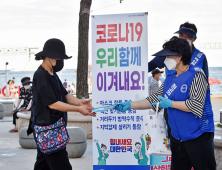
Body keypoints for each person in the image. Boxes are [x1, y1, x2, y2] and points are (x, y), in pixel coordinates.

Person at [115, 37, 216, 170]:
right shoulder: (169, 79)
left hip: (198, 137)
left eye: (168, 56)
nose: (165, 60)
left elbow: (195, 105)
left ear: (179, 57)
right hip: (177, 138)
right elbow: (153, 99)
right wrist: (130, 105)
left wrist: (170, 103)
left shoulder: (197, 76)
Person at [27, 38, 96, 170]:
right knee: (62, 166)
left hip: (55, 127)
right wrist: (78, 109)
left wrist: (80, 102)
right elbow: (53, 104)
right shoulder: (41, 75)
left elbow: (65, 95)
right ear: (49, 57)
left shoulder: (52, 74)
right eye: (59, 58)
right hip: (47, 130)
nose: (60, 61)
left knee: (43, 165)